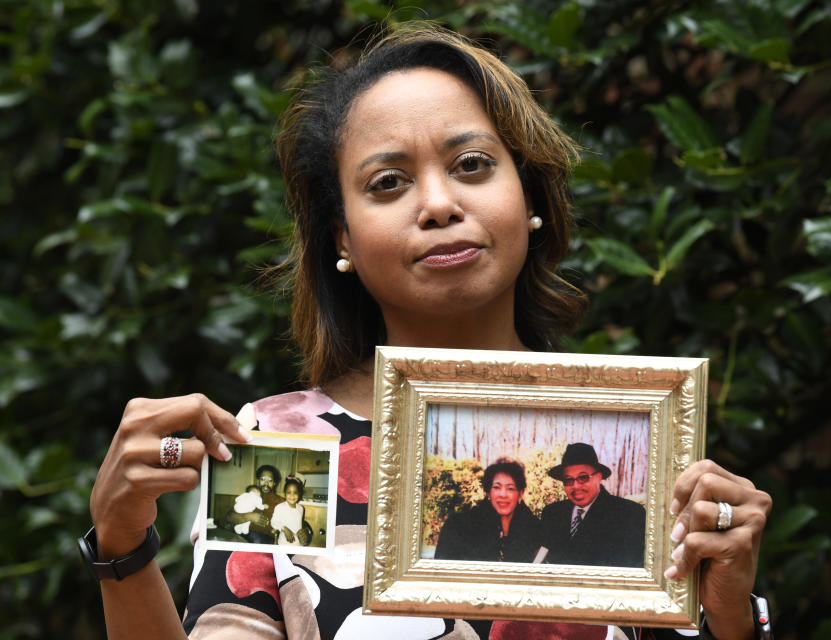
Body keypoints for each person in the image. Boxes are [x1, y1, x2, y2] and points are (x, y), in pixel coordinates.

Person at [87, 23, 772, 640]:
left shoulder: (632, 432)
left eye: (472, 165)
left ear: (528, 197)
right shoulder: (283, 446)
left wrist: (732, 617)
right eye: (388, 183)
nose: (440, 204)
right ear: (342, 238)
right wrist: (123, 549)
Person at [539, 443, 646, 568]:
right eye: (568, 480)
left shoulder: (628, 514)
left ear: (599, 477)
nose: (576, 486)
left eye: (583, 478)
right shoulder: (552, 513)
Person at [435, 458, 540, 562]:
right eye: (497, 487)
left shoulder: (533, 530)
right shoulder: (459, 526)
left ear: (520, 494)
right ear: (488, 492)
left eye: (510, 488)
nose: (503, 494)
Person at [223, 464, 283, 544]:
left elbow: (294, 519)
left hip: (263, 540)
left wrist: (305, 531)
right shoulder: (249, 495)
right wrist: (249, 516)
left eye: (270, 480)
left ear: (274, 483)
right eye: (263, 479)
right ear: (258, 481)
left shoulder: (280, 501)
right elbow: (229, 516)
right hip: (242, 536)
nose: (266, 483)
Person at [271, 476, 307, 546]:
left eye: (295, 492)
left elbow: (301, 525)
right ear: (285, 493)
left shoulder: (301, 508)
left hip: (298, 544)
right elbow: (273, 522)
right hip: (283, 543)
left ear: (299, 494)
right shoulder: (280, 507)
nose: (292, 496)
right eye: (289, 492)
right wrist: (284, 529)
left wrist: (303, 532)